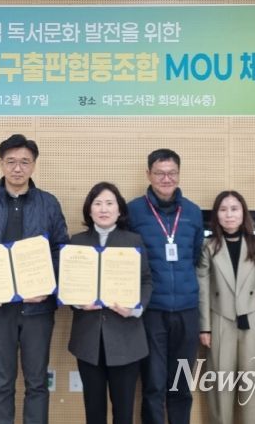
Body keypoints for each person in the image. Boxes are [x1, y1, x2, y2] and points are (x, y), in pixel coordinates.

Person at [0, 134, 69, 424]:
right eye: (11, 162)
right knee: (2, 380)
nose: (17, 168)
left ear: (34, 165)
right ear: (1, 164)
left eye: (24, 162)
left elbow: (61, 250)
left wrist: (47, 288)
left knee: (37, 381)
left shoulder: (48, 203)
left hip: (38, 308)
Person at [127, 148, 204, 424]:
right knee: (154, 384)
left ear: (179, 174)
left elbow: (195, 255)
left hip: (187, 311)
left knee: (181, 385)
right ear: (148, 174)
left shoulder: (193, 212)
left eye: (172, 173)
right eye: (159, 173)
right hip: (152, 311)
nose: (166, 178)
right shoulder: (133, 211)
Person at [67, 182, 152, 424]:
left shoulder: (133, 241)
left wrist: (135, 309)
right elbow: (68, 284)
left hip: (126, 338)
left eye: (109, 203)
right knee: (93, 411)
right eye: (97, 203)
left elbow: (146, 280)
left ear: (119, 209)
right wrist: (78, 303)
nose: (103, 209)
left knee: (123, 412)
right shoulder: (77, 242)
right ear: (89, 209)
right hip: (88, 339)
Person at [197, 190, 255, 424]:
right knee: (220, 386)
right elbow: (203, 289)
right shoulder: (208, 246)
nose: (229, 215)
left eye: (234, 209)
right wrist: (204, 327)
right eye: (223, 210)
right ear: (216, 215)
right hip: (219, 319)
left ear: (243, 213)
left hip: (253, 321)